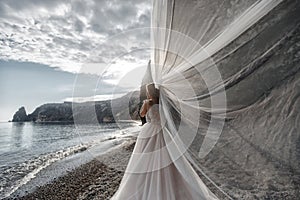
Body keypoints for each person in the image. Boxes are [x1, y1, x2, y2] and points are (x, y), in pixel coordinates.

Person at [110, 83, 219, 200]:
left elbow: (142, 114)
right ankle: (170, 183)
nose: (147, 94)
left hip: (150, 131)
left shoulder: (148, 103)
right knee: (167, 157)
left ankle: (146, 184)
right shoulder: (162, 104)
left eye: (147, 92)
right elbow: (165, 120)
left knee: (145, 158)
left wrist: (144, 105)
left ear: (149, 93)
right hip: (162, 131)